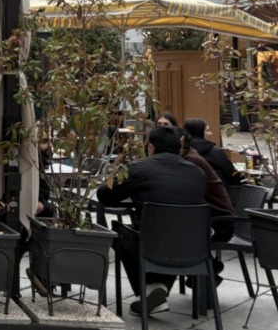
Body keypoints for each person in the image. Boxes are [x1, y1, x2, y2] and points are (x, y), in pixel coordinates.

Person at [96, 125, 209, 316]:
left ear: (151, 147)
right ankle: (157, 289)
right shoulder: (197, 173)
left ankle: (149, 290)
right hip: (194, 247)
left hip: (152, 245)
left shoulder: (139, 169)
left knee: (124, 234)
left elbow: (104, 194)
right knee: (168, 232)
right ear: (179, 147)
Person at [183, 118, 240, 186]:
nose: (210, 133)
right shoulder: (216, 154)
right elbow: (234, 177)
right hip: (216, 193)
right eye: (207, 130)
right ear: (199, 132)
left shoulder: (179, 152)